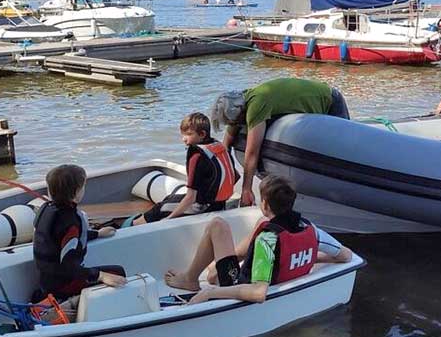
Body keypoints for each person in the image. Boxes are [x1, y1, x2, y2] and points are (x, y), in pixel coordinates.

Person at [164, 175, 352, 304]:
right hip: (275, 267)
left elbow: (258, 292)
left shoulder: (267, 241)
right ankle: (216, 268)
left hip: (237, 284)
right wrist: (310, 257)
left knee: (217, 225)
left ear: (264, 204)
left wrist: (209, 293)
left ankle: (190, 279)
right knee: (262, 223)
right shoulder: (311, 229)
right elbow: (345, 255)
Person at [210, 78, 350, 206]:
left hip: (330, 100)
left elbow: (252, 152)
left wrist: (246, 189)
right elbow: (227, 142)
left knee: (341, 152)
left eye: (235, 122)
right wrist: (226, 169)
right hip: (314, 99)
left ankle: (341, 196)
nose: (236, 125)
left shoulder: (257, 105)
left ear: (240, 112)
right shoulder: (243, 100)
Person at [32, 164, 126, 301]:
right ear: (76, 193)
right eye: (83, 187)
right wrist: (101, 276)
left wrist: (97, 233)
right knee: (118, 273)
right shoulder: (70, 223)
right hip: (62, 285)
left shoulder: (47, 210)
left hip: (46, 280)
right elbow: (68, 267)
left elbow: (59, 241)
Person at [133, 112, 238, 225]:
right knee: (170, 198)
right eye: (182, 134)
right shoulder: (218, 146)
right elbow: (234, 176)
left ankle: (130, 225)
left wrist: (169, 219)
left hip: (202, 207)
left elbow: (190, 198)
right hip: (220, 203)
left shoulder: (196, 156)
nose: (184, 139)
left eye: (188, 134)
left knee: (159, 209)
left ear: (202, 134)